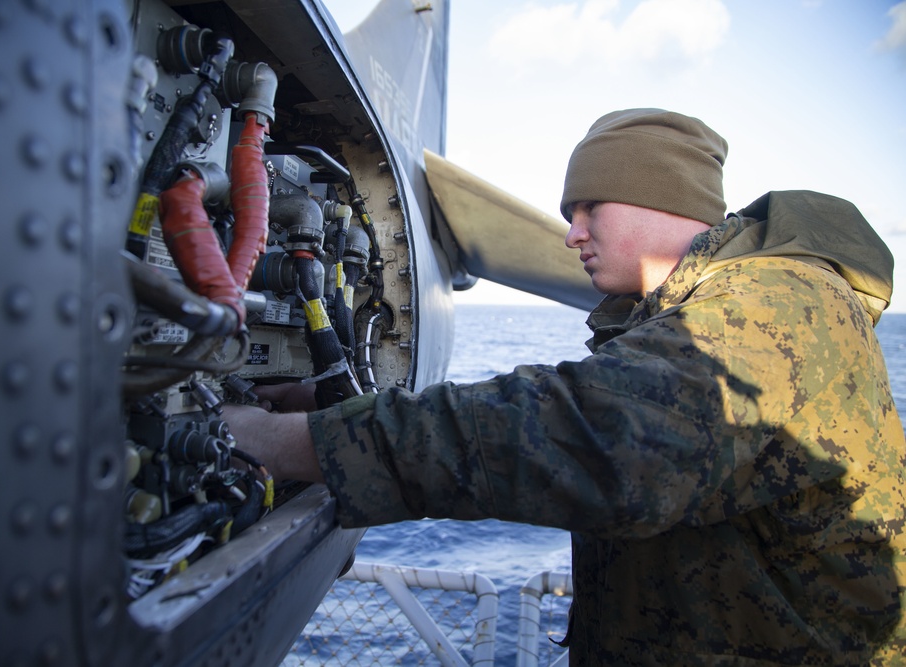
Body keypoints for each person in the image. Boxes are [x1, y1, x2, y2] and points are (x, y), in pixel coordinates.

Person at [224, 109, 906, 664]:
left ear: (657, 195)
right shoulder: (688, 321)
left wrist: (293, 442)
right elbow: (578, 415)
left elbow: (600, 437)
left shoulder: (778, 300)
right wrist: (336, 409)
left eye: (588, 206)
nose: (572, 232)